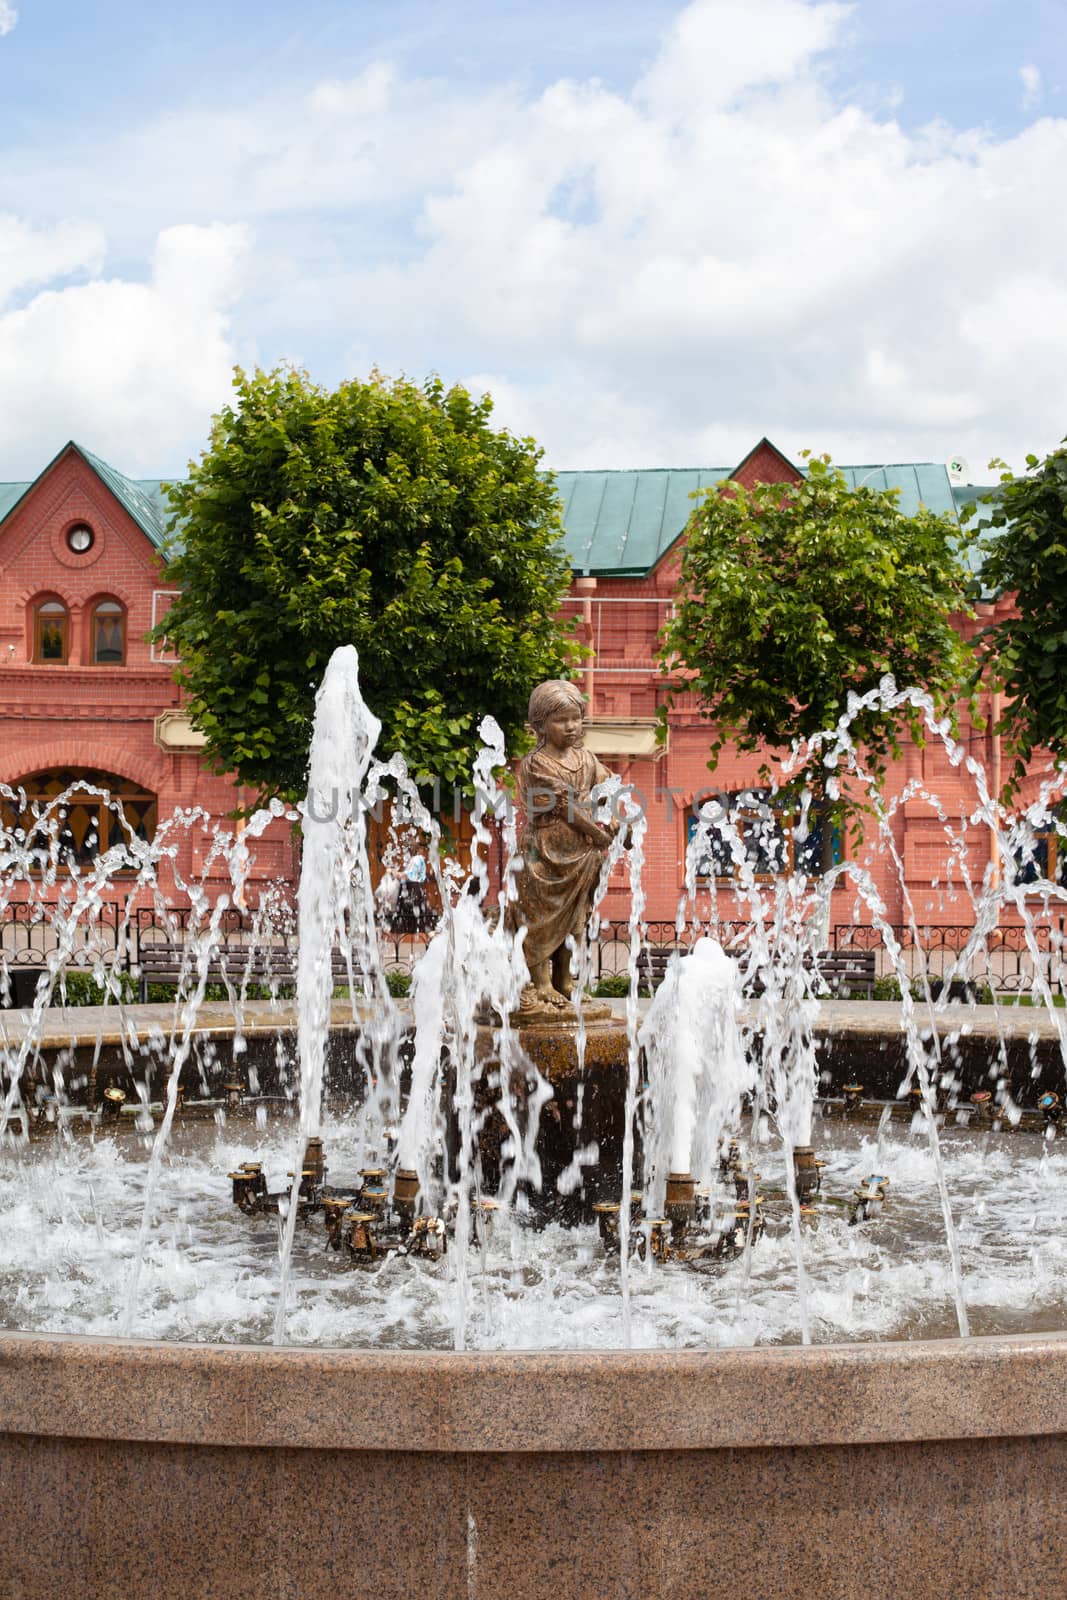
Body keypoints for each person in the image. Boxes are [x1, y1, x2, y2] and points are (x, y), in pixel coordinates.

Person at [509, 679, 624, 1012]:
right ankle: (540, 984)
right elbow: (566, 807)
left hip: (581, 859)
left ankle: (565, 981)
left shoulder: (587, 759)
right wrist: (599, 833)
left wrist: (615, 815)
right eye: (561, 720)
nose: (571, 726)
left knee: (574, 925)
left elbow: (609, 787)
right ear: (540, 726)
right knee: (540, 920)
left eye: (576, 718)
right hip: (542, 857)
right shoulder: (536, 764)